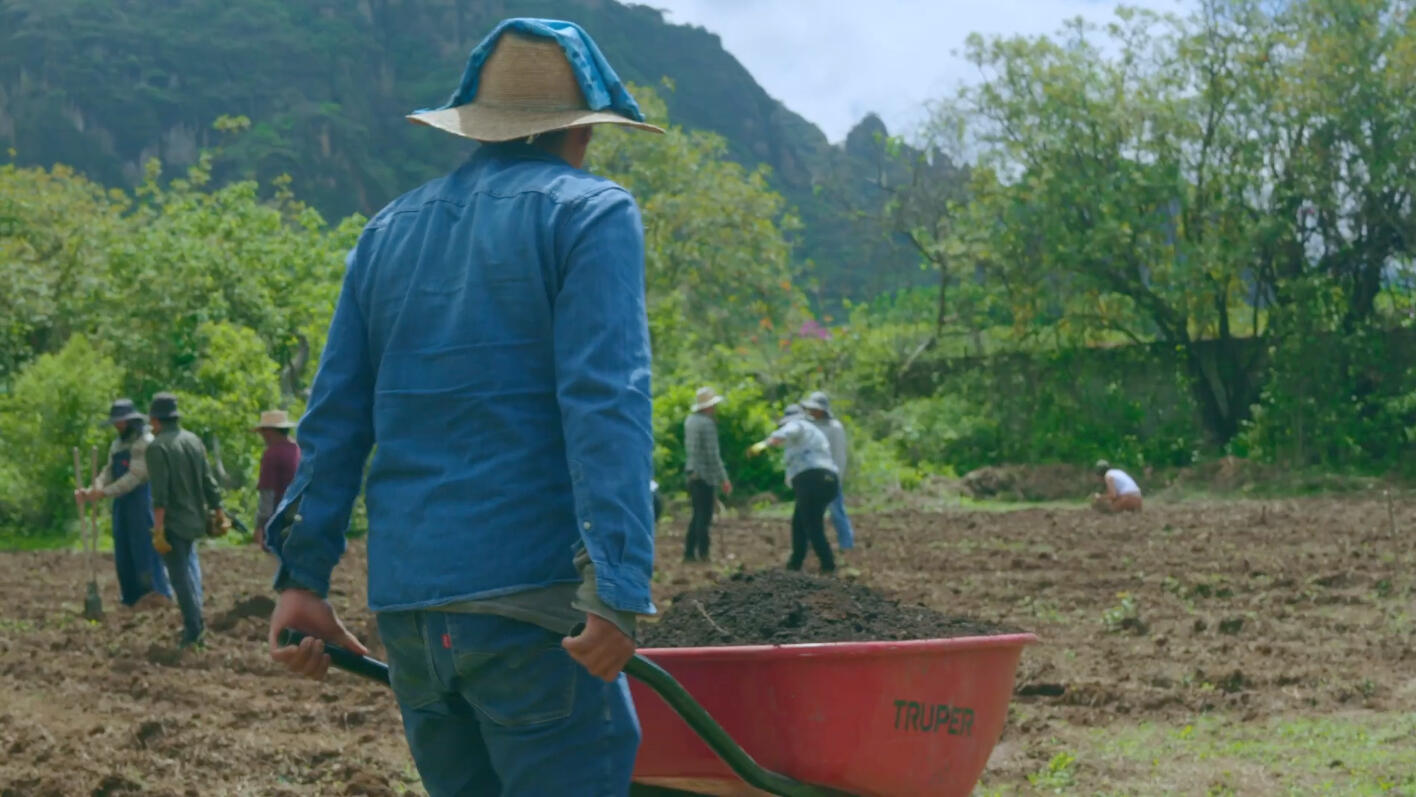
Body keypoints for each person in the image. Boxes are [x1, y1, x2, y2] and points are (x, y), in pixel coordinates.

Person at [263, 19, 660, 797]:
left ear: (478, 127)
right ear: (583, 129)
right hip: (532, 610)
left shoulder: (385, 234)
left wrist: (300, 579)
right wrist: (617, 589)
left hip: (411, 618)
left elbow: (335, 419)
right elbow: (606, 402)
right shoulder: (590, 213)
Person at [144, 392, 224, 647]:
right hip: (195, 520)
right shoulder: (193, 440)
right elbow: (209, 482)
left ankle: (194, 630)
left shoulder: (157, 447)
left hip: (173, 523)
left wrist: (158, 529)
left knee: (180, 577)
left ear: (155, 420)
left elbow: (160, 495)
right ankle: (196, 623)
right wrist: (219, 512)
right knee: (188, 573)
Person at [76, 398, 172, 609]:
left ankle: (155, 596)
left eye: (122, 422)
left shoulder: (144, 442)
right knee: (124, 550)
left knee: (145, 550)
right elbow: (109, 471)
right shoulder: (117, 444)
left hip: (142, 502)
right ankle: (130, 598)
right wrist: (94, 488)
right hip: (122, 505)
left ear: (132, 421)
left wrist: (103, 493)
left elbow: (134, 477)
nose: (118, 426)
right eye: (116, 422)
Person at [749, 404, 839, 574]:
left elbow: (791, 429)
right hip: (828, 480)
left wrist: (766, 443)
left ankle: (828, 564)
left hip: (811, 479)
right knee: (799, 522)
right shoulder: (812, 433)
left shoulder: (798, 426)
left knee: (812, 524)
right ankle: (795, 564)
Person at [683, 386, 732, 562]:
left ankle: (689, 552)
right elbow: (712, 454)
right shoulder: (707, 424)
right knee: (704, 517)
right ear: (709, 407)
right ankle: (703, 553)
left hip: (692, 472)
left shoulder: (690, 421)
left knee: (697, 514)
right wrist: (723, 478)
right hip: (704, 475)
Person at [802, 390, 853, 550]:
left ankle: (846, 544)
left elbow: (839, 454)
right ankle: (812, 544)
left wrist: (837, 476)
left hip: (829, 475)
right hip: (813, 475)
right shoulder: (809, 426)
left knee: (836, 511)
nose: (812, 411)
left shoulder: (834, 428)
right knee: (812, 513)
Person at [252, 410, 300, 551]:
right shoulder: (298, 449)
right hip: (302, 514)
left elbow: (267, 495)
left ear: (270, 432)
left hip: (282, 520)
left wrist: (260, 527)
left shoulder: (272, 455)